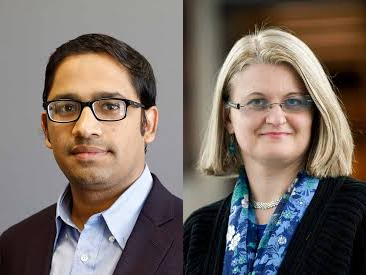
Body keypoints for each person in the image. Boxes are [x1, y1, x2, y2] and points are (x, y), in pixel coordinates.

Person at [184, 28, 366, 274]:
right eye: (257, 102)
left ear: (316, 113)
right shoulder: (198, 231)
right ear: (228, 118)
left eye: (294, 101)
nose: (276, 117)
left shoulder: (359, 211)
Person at [0, 33, 182, 275]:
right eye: (66, 107)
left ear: (148, 124)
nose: (84, 128)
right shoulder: (14, 247)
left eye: (110, 106)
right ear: (46, 128)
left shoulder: (192, 236)